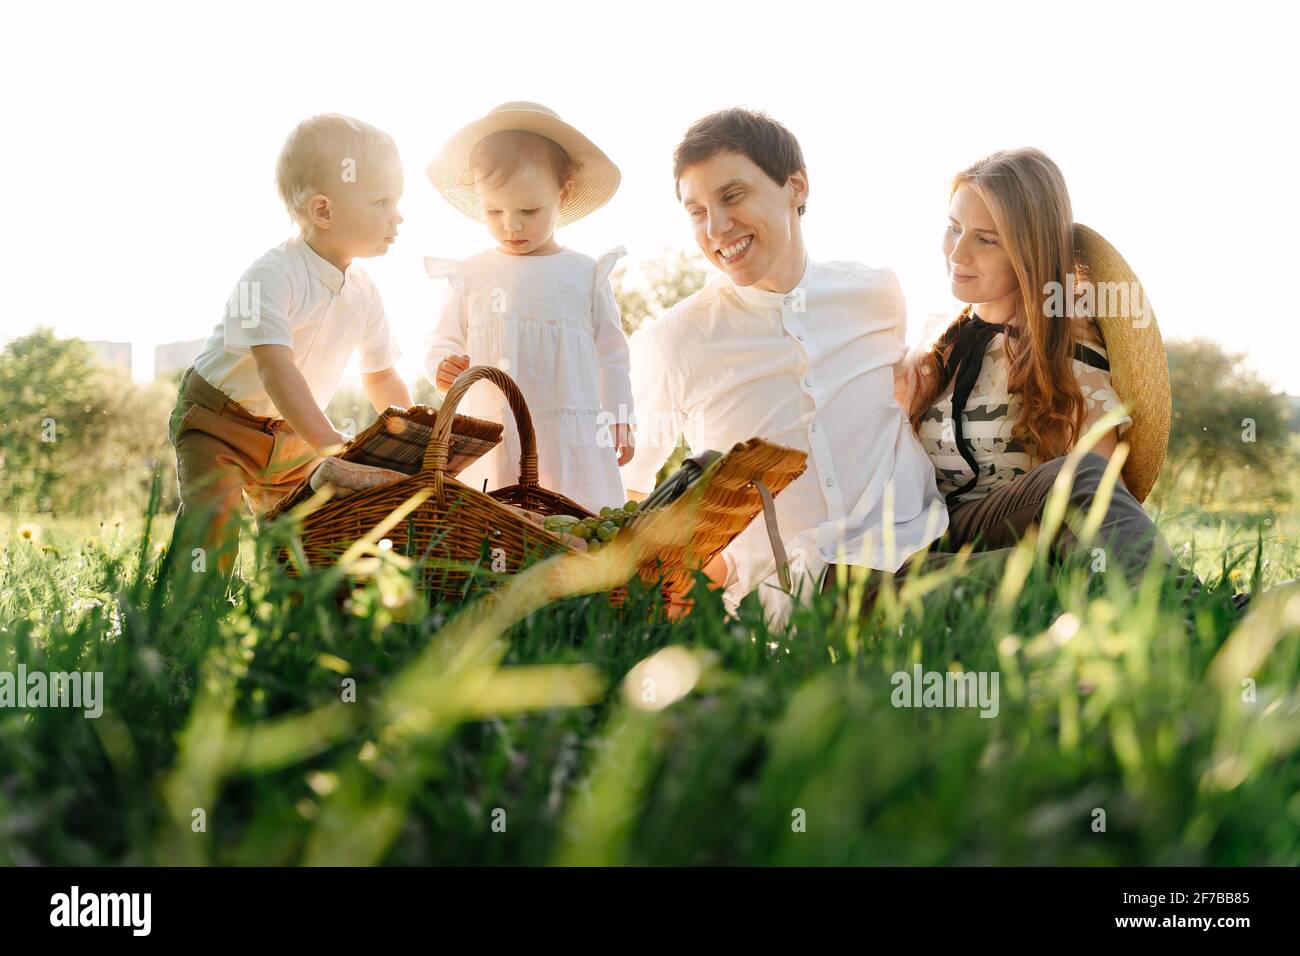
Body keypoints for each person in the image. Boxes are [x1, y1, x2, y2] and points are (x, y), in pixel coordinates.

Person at [621, 108, 947, 630]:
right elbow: (630, 488)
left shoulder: (876, 294)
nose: (716, 227)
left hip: (927, 533)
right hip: (805, 594)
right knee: (985, 585)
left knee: (1080, 485)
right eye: (696, 211)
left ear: (795, 187)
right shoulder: (675, 342)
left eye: (732, 197)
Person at [167, 113, 411, 578]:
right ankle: (187, 618)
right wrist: (327, 442)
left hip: (293, 434)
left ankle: (290, 608)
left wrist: (414, 435)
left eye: (396, 202)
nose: (397, 217)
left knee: (299, 534)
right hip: (221, 420)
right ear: (323, 211)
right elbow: (274, 368)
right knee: (211, 521)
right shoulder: (270, 275)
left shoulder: (365, 292)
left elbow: (380, 375)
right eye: (381, 201)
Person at [423, 102, 635, 513]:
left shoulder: (585, 274)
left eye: (529, 211)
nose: (511, 225)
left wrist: (621, 413)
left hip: (573, 433)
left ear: (564, 191)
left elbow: (612, 353)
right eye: (494, 211)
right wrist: (441, 365)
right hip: (495, 431)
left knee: (574, 523)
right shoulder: (472, 274)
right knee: (494, 525)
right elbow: (441, 340)